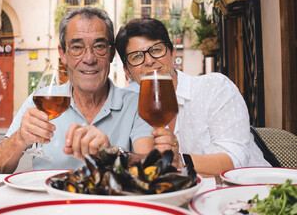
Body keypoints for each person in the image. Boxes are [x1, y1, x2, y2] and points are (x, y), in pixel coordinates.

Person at [0, 7, 154, 175]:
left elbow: (151, 168)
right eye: (77, 47)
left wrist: (112, 153)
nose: (89, 58)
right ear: (63, 54)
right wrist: (20, 139)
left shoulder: (137, 104)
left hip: (109, 201)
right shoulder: (41, 101)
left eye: (100, 46)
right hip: (49, 201)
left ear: (111, 54)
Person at [115, 17, 270, 177]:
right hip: (190, 199)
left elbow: (236, 159)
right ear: (127, 71)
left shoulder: (215, 87)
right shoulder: (137, 110)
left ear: (173, 53)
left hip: (254, 192)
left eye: (156, 50)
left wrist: (181, 162)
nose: (149, 61)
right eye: (137, 57)